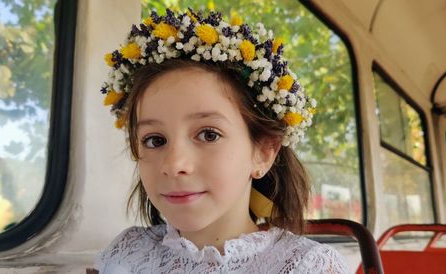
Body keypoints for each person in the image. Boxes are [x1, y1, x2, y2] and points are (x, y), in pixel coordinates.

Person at [95, 8, 349, 273]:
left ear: (263, 152)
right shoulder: (127, 253)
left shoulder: (307, 267)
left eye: (208, 134)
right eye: (155, 140)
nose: (173, 164)